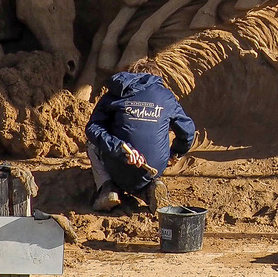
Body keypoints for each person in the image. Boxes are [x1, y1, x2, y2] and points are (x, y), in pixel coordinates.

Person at [84, 63, 196, 211]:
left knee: (91, 144)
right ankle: (150, 188)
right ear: (156, 78)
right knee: (148, 159)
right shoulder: (165, 96)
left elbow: (93, 127)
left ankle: (108, 188)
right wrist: (174, 153)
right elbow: (187, 131)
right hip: (153, 165)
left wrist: (120, 148)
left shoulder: (115, 93)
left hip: (119, 161)